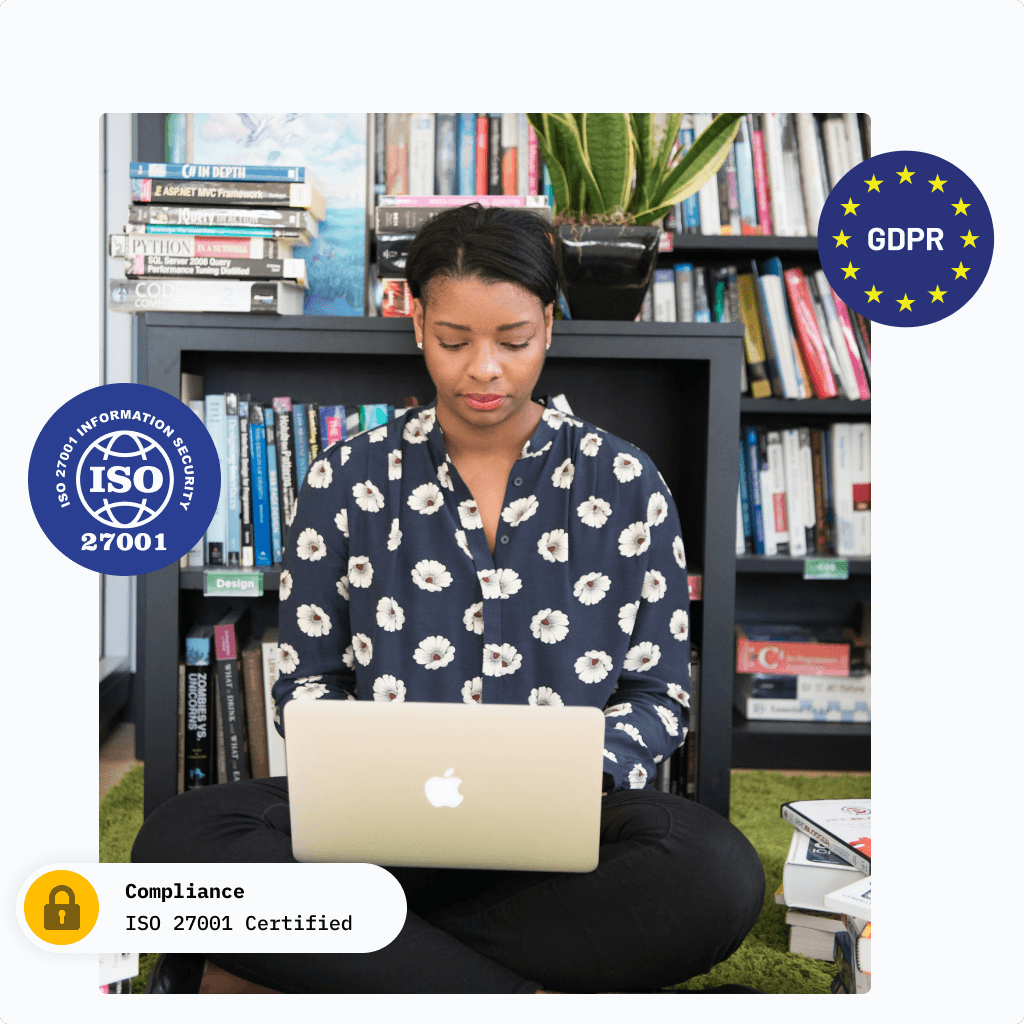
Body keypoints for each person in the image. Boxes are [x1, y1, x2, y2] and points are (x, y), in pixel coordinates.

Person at [132, 204, 765, 995]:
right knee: (177, 842)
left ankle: (322, 965)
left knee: (715, 874)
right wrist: (370, 775)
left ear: (549, 328)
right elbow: (308, 682)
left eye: (514, 341)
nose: (484, 370)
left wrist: (570, 778)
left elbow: (659, 694)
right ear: (417, 324)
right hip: (379, 832)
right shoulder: (345, 477)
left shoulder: (628, 482)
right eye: (454, 341)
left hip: (563, 834)